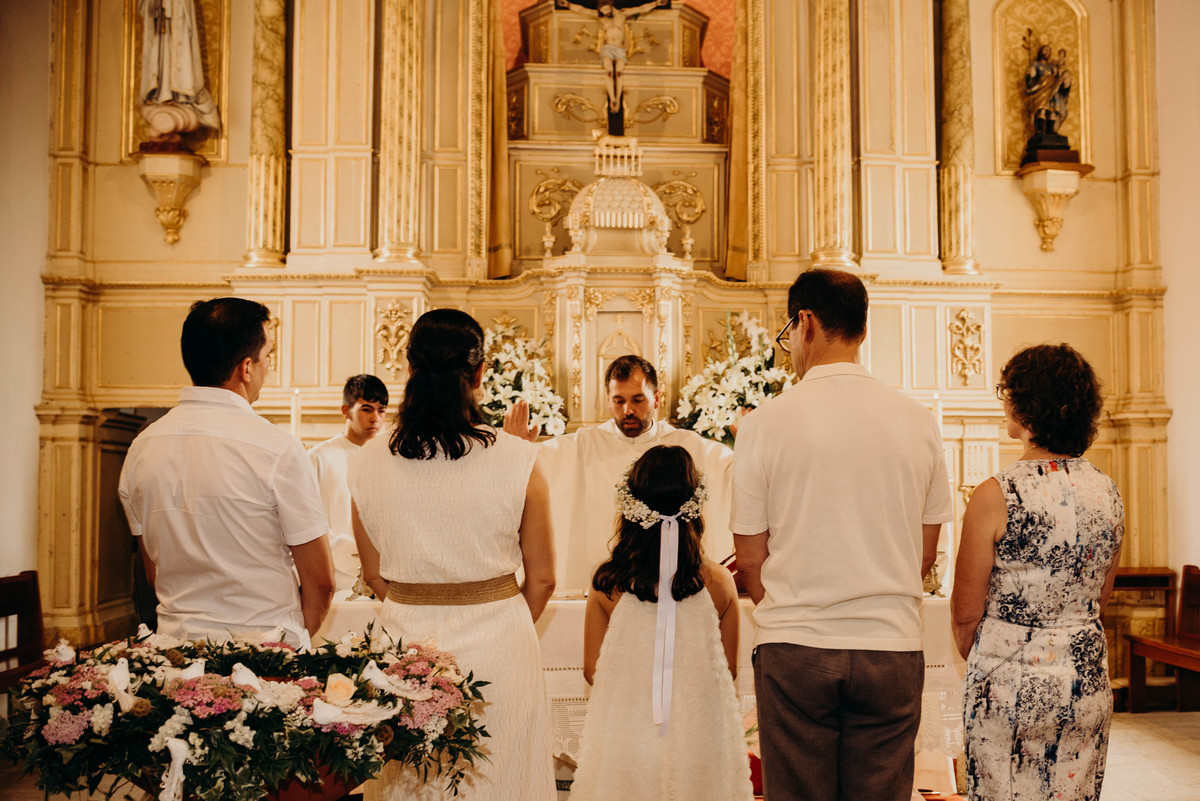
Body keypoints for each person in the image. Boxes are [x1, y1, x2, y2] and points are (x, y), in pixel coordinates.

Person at [730, 268, 953, 801]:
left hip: (797, 647)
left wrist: (799, 605)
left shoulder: (764, 423)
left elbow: (750, 559)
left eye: (789, 334)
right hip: (891, 647)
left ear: (805, 322)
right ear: (861, 328)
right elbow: (925, 554)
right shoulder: (918, 420)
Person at [348, 308, 556, 800]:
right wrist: (497, 617)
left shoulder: (364, 463)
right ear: (479, 373)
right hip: (500, 650)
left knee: (410, 783)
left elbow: (374, 575)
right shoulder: (519, 458)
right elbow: (544, 579)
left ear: (410, 368)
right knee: (500, 780)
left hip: (403, 651)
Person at [951, 344, 1123, 801]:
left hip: (1009, 680)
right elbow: (1099, 597)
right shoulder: (1107, 491)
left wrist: (996, 658)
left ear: (1027, 405)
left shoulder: (995, 493)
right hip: (1084, 676)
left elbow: (965, 611)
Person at [118, 297, 334, 648]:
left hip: (177, 651)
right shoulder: (277, 448)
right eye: (268, 357)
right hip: (267, 650)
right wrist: (291, 641)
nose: (268, 368)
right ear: (247, 368)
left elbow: (153, 571)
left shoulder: (142, 447)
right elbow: (321, 582)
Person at [570, 445, 753, 800]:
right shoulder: (718, 582)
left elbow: (592, 669)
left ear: (631, 505)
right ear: (694, 506)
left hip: (629, 734)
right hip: (698, 734)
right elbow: (727, 670)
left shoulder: (608, 582)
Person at [505, 354, 735, 593]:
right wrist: (518, 450)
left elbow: (728, 470)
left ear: (656, 399)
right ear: (608, 400)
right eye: (618, 400)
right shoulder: (584, 444)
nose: (628, 410)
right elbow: (535, 465)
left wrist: (750, 450)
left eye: (638, 399)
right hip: (601, 581)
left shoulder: (685, 444)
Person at [308, 373, 388, 596]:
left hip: (383, 575)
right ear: (346, 410)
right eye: (366, 409)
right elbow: (311, 524)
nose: (375, 418)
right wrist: (361, 554)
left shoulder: (388, 460)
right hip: (337, 575)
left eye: (381, 410)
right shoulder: (318, 458)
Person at [558, 0, 669, 113]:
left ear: (610, 6)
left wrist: (656, 3)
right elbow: (582, 10)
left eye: (606, 10)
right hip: (607, 49)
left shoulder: (622, 15)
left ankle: (618, 99)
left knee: (619, 73)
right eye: (603, 11)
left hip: (619, 49)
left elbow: (641, 9)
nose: (605, 13)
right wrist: (568, 5)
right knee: (609, 72)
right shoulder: (601, 18)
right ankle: (613, 99)